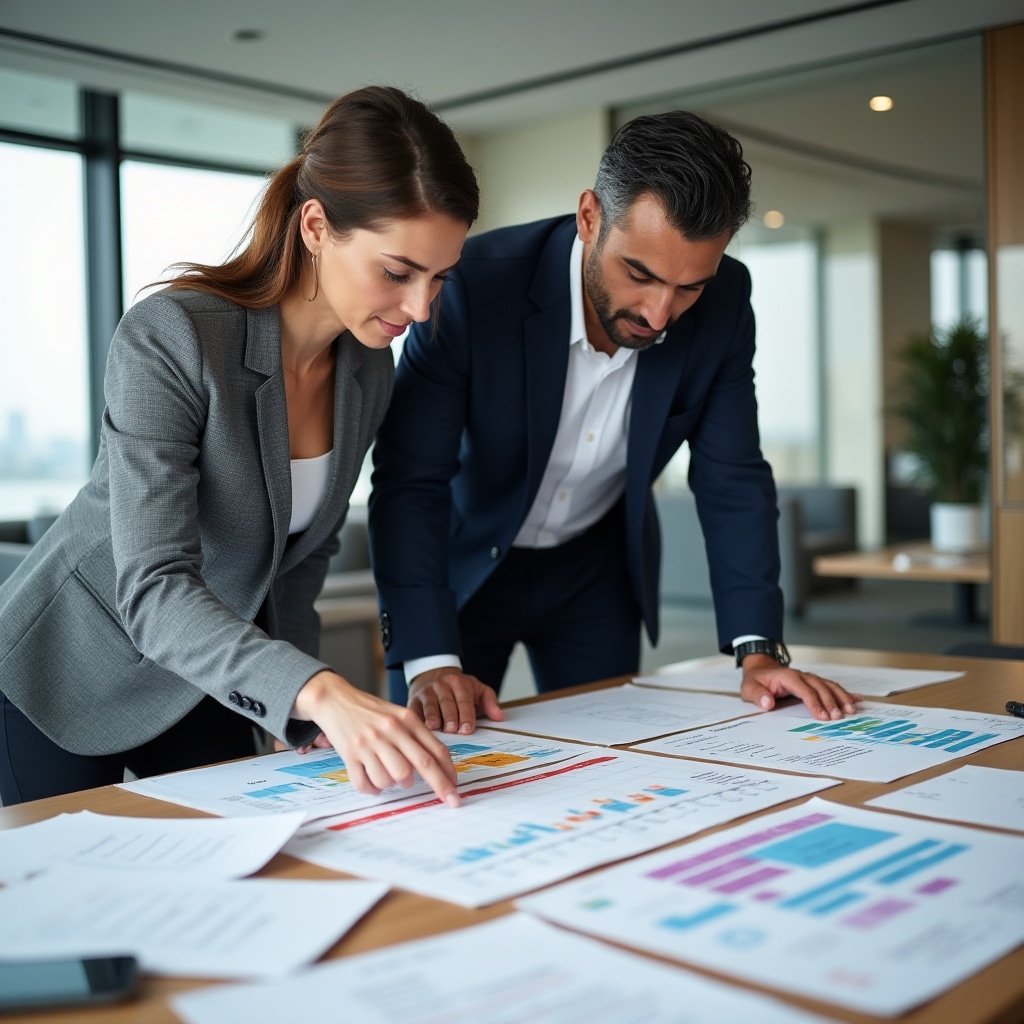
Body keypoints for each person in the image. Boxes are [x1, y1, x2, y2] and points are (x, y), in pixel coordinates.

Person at [0, 85, 478, 807]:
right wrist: (319, 691)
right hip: (68, 676)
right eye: (397, 272)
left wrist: (297, 714)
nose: (420, 308)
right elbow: (155, 587)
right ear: (316, 226)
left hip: (207, 679)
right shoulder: (175, 335)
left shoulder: (367, 368)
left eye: (439, 278)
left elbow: (301, 561)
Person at [368, 109, 858, 735]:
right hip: (458, 565)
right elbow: (411, 478)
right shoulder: (473, 285)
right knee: (435, 753)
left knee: (613, 757)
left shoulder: (727, 301)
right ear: (589, 217)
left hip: (594, 573)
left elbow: (732, 475)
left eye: (689, 287)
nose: (660, 314)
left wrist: (758, 649)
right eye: (640, 274)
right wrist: (430, 659)